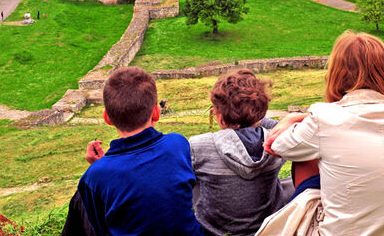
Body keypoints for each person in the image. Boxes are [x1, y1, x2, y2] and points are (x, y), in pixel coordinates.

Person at [264, 31, 384, 235]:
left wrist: (291, 119)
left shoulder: (324, 116)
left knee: (304, 157)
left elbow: (277, 145)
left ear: (337, 72)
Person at [68, 67, 204, 236]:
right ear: (156, 112)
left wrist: (101, 166)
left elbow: (101, 229)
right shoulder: (178, 143)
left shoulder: (95, 176)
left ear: (106, 118)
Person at [189, 69, 289, 236]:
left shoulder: (199, 145)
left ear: (219, 118)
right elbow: (288, 127)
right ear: (260, 112)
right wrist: (251, 112)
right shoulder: (276, 140)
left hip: (215, 232)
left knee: (196, 179)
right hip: (268, 228)